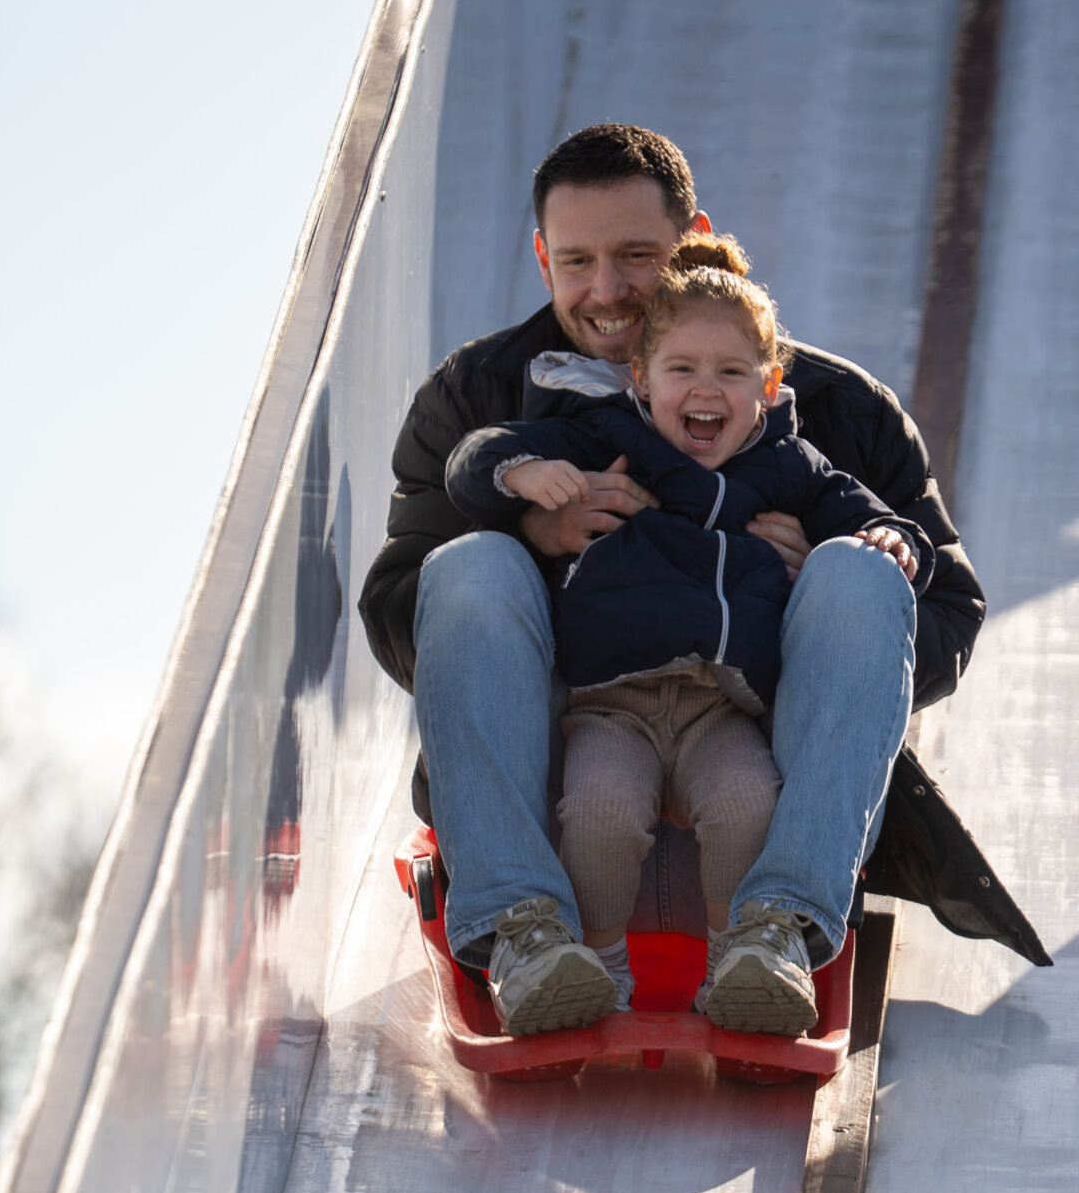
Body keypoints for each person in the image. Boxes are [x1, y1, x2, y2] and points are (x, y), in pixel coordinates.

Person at [358, 123, 1001, 1040]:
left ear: (694, 238)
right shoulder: (481, 396)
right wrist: (533, 536)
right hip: (566, 749)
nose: (607, 290)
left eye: (636, 256)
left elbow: (943, 609)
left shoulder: (828, 411)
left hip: (761, 750)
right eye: (577, 260)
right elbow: (400, 609)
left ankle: (781, 931)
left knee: (861, 571)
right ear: (542, 258)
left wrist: (808, 591)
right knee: (467, 562)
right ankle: (524, 932)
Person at [444, 236, 931, 1033]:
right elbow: (474, 457)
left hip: (722, 708)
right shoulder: (610, 438)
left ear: (768, 386)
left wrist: (888, 541)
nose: (706, 390)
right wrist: (520, 477)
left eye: (731, 372)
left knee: (747, 804)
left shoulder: (790, 465)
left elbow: (873, 515)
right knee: (599, 810)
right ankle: (592, 968)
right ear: (640, 378)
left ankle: (745, 962)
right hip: (614, 704)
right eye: (682, 370)